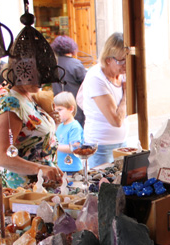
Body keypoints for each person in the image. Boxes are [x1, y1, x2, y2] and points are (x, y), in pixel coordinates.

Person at [0, 66, 63, 188]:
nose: (43, 82)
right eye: (38, 76)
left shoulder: (26, 93)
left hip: (41, 185)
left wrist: (49, 121)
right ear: (22, 72)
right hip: (23, 189)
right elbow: (1, 156)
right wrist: (40, 169)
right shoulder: (9, 102)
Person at [81, 32, 129, 168]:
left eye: (127, 60)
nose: (125, 65)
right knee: (103, 187)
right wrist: (126, 94)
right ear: (108, 59)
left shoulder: (122, 75)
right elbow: (116, 120)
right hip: (101, 147)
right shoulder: (96, 78)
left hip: (122, 142)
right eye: (121, 61)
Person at [51, 35, 88, 126]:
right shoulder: (76, 64)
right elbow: (87, 85)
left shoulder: (53, 65)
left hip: (58, 107)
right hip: (75, 109)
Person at [54, 91, 84, 175]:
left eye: (60, 110)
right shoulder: (60, 125)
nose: (57, 113)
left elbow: (75, 148)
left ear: (71, 109)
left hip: (72, 168)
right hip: (60, 167)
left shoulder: (74, 126)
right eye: (55, 110)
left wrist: (55, 146)